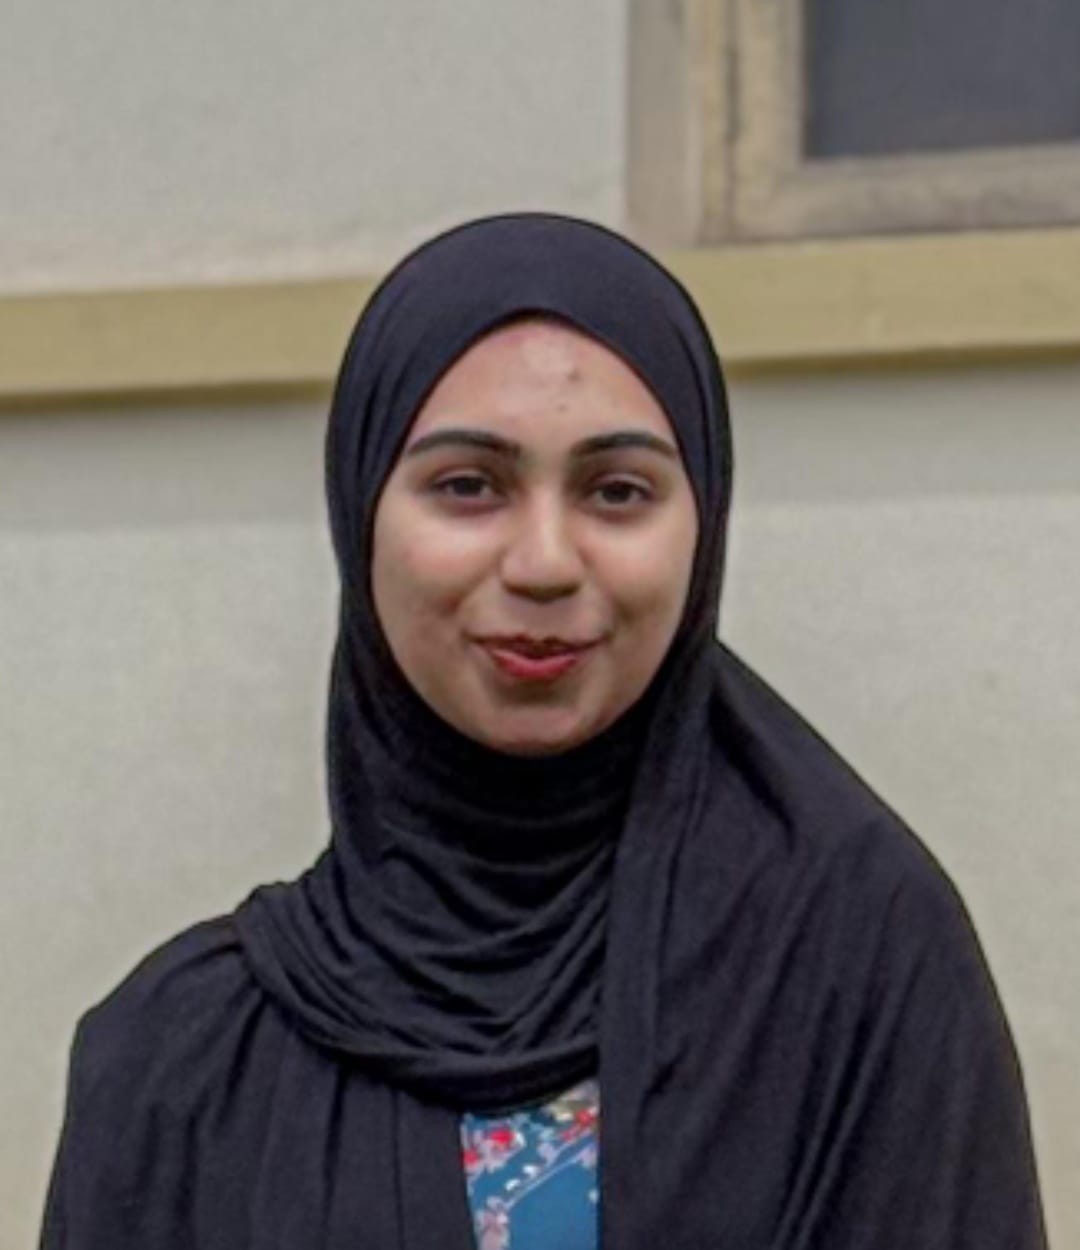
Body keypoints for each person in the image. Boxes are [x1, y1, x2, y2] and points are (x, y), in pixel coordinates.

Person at [39, 214, 1046, 1250]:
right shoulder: (179, 1061)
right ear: (359, 513)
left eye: (618, 492)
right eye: (468, 486)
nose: (545, 563)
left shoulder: (850, 960)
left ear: (702, 528)